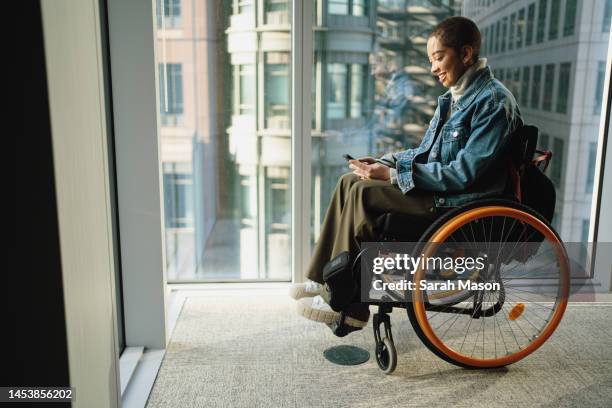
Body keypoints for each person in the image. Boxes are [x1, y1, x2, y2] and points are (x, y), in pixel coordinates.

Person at [290, 16, 523, 331]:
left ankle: (350, 302)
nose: (433, 68)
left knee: (364, 193)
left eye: (438, 58)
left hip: (459, 203)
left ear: (466, 54)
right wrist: (385, 163)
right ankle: (322, 277)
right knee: (351, 181)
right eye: (431, 61)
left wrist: (391, 176)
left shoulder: (493, 103)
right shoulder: (455, 99)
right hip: (443, 190)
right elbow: (425, 151)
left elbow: (465, 173)